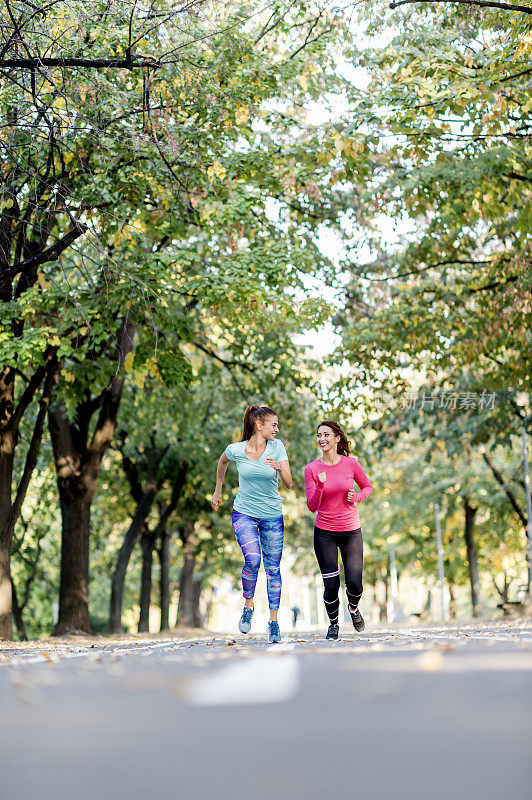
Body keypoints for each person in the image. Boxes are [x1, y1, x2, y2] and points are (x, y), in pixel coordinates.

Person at [212, 405, 293, 643]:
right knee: (253, 560)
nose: (277, 429)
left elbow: (289, 483)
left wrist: (280, 468)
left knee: (273, 569)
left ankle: (274, 623)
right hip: (244, 513)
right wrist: (218, 491)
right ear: (260, 425)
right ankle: (248, 606)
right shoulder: (236, 449)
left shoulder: (277, 448)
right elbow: (222, 463)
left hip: (271, 514)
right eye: (274, 425)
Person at [304, 420, 373, 640]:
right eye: (318, 435)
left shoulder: (351, 464)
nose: (321, 439)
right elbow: (312, 506)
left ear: (337, 438)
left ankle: (353, 608)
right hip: (324, 532)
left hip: (351, 530)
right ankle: (333, 623)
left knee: (354, 582)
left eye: (326, 435)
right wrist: (321, 486)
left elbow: (367, 487)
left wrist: (358, 496)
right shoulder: (312, 469)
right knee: (331, 585)